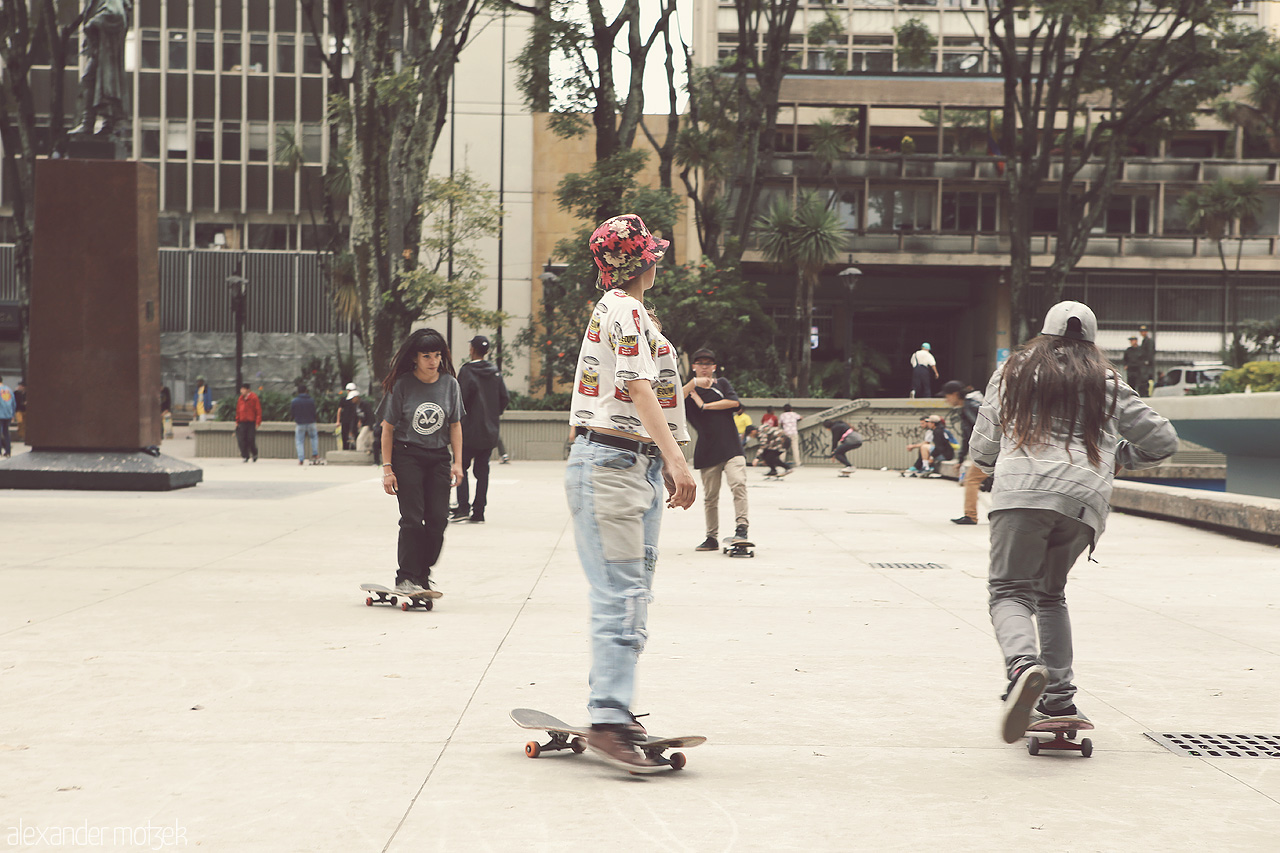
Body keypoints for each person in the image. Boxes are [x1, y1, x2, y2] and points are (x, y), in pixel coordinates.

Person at [969, 300, 1178, 743]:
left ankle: (1024, 668)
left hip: (1022, 493)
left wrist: (998, 459)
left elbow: (983, 448)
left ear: (1044, 333)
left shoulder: (1013, 371)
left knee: (1009, 590)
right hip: (1084, 500)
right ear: (1092, 340)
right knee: (1050, 593)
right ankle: (1059, 698)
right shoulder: (1106, 379)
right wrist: (1117, 457)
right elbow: (1162, 440)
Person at [565, 213, 695, 773]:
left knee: (633, 594)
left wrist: (661, 456)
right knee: (620, 593)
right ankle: (608, 716)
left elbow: (654, 392)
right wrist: (678, 459)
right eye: (653, 253)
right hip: (611, 464)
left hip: (631, 464)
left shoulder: (634, 312)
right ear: (642, 260)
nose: (658, 260)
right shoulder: (623, 307)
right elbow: (638, 388)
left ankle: (613, 709)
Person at [378, 328, 464, 597]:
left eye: (437, 355)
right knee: (413, 519)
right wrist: (388, 469)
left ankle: (423, 573)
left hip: (438, 457)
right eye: (426, 355)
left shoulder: (450, 384)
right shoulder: (402, 385)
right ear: (415, 358)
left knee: (438, 519)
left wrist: (458, 463)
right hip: (408, 455)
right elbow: (387, 428)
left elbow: (455, 425)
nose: (433, 361)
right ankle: (406, 576)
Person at [684, 348, 750, 551]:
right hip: (708, 449)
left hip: (731, 446)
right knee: (711, 497)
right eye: (700, 363)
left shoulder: (722, 383)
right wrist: (693, 385)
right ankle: (711, 537)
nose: (704, 367)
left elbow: (734, 403)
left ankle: (742, 528)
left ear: (714, 367)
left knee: (738, 483)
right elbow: (673, 399)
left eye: (708, 363)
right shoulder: (688, 390)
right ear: (694, 366)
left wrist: (704, 406)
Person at [452, 334, 509, 524]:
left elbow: (460, 400)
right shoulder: (495, 372)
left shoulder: (467, 372)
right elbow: (504, 399)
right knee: (483, 471)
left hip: (468, 431)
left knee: (461, 467)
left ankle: (462, 507)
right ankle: (479, 511)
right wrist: (492, 415)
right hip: (489, 432)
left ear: (471, 350)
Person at [942, 379, 987, 525]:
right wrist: (960, 459)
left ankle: (970, 516)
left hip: (989, 451)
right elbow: (967, 436)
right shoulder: (971, 404)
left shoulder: (970, 406)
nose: (946, 399)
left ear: (955, 394)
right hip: (992, 449)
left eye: (947, 396)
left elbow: (978, 430)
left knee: (971, 480)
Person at [290, 384, 320, 465]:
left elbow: (292, 413)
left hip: (300, 423)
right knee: (314, 437)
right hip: (311, 422)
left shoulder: (294, 401)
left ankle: (301, 459)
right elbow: (314, 411)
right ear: (306, 391)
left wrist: (295, 418)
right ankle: (315, 453)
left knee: (299, 441)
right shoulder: (311, 400)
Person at [234, 383, 261, 463]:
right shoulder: (240, 399)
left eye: (243, 389)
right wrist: (237, 421)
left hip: (251, 422)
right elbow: (238, 410)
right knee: (242, 439)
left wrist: (258, 422)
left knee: (250, 439)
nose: (241, 391)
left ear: (248, 390)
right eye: (241, 389)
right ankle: (245, 455)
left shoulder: (254, 397)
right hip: (242, 422)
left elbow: (258, 410)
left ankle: (254, 453)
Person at [336, 383, 362, 450]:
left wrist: (359, 420)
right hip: (345, 420)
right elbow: (339, 410)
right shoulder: (344, 399)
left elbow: (359, 411)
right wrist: (338, 421)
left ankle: (354, 448)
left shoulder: (356, 399)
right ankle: (345, 448)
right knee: (344, 435)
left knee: (354, 434)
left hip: (354, 420)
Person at [1138, 324, 1156, 396]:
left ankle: (1146, 393)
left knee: (1146, 378)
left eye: (1144, 331)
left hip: (1146, 364)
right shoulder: (1144, 341)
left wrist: (1147, 361)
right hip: (1144, 363)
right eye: (1142, 332)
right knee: (1143, 379)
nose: (1143, 333)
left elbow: (1150, 351)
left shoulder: (1148, 341)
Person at [0, 376, 15, 458]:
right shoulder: (9, 390)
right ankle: (8, 451)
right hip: (8, 414)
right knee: (6, 433)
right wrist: (12, 414)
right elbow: (13, 403)